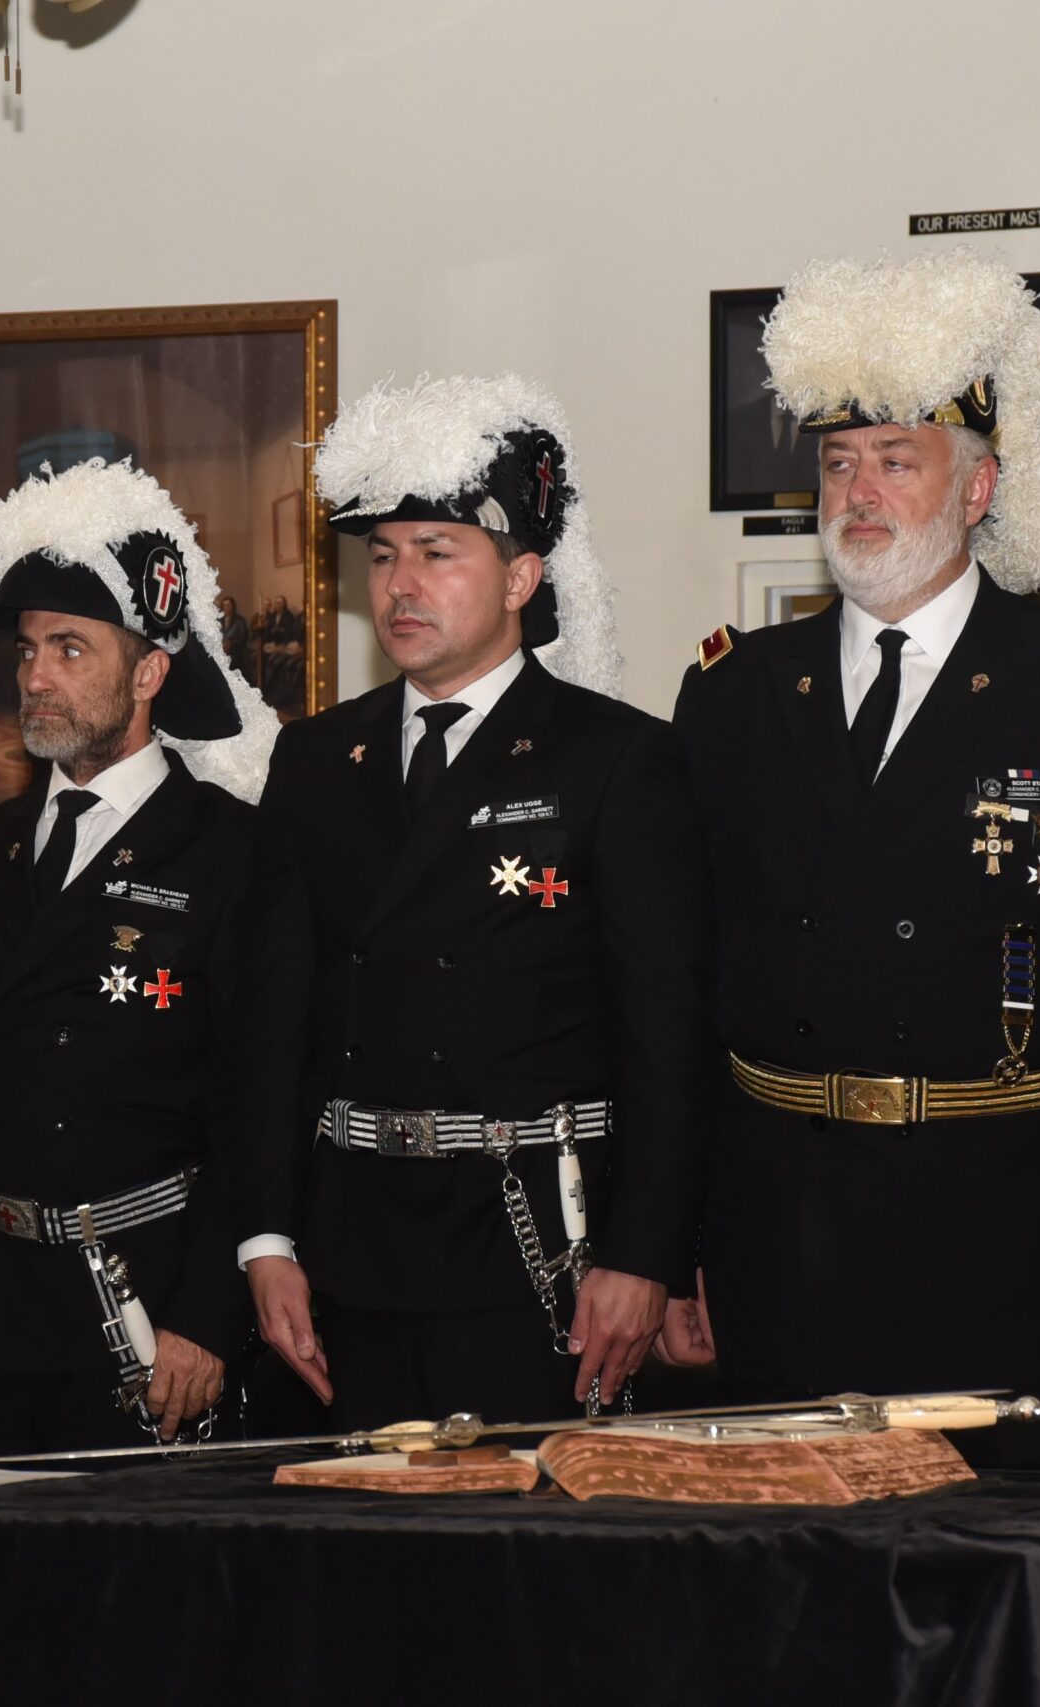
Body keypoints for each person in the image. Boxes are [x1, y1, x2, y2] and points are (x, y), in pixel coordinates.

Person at [669, 251, 1040, 1468]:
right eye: (837, 463)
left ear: (976, 488)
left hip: (1002, 1234)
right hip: (779, 1236)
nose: (859, 491)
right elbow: (686, 992)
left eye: (897, 461)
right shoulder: (735, 692)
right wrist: (672, 1239)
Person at [242, 375, 715, 1429]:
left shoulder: (614, 757)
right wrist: (266, 1238)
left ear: (520, 578)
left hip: (534, 1240)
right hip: (350, 1243)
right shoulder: (315, 759)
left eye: (437, 552)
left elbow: (667, 1034)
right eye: (381, 557)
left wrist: (646, 1254)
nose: (399, 586)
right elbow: (276, 1022)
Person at [0, 459, 306, 1457]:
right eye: (28, 648)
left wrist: (208, 1313)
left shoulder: (231, 848)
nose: (35, 676)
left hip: (143, 1298)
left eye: (70, 648)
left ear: (149, 672)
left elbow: (260, 1097)